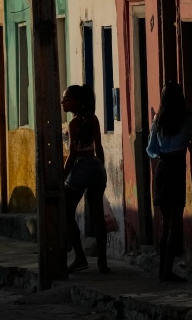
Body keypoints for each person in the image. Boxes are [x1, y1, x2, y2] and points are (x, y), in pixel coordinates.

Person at [146, 82, 192, 283]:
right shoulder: (189, 118)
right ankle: (167, 272)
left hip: (162, 169)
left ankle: (162, 271)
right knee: (174, 223)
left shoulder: (158, 121)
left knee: (165, 223)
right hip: (177, 170)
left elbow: (151, 150)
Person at [62, 84, 109, 274]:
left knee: (66, 212)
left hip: (80, 168)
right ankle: (103, 263)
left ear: (77, 102)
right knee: (98, 217)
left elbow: (72, 153)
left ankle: (80, 258)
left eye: (66, 99)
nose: (63, 102)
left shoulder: (73, 124)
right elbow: (99, 147)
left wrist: (63, 175)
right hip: (96, 167)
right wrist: (101, 168)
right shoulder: (94, 119)